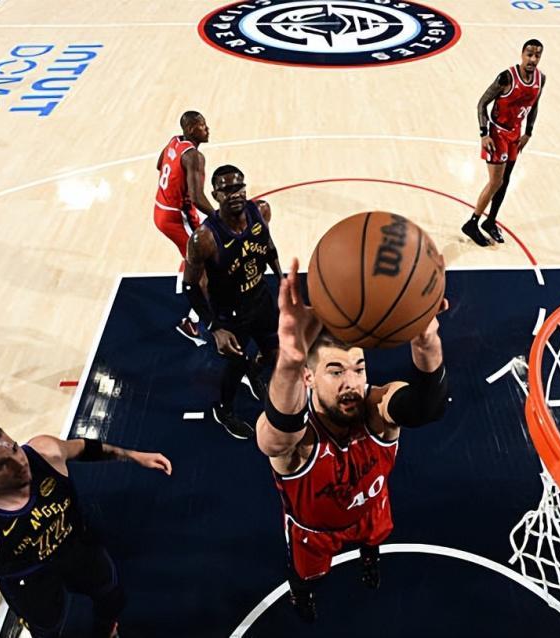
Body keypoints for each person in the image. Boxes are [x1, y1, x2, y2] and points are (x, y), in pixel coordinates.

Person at [255, 259, 449, 621]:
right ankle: (302, 594)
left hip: (370, 512)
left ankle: (369, 558)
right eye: (336, 371)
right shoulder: (302, 439)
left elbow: (428, 406)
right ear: (309, 377)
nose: (352, 383)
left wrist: (425, 338)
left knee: (373, 542)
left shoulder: (376, 409)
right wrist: (290, 362)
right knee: (305, 576)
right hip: (314, 532)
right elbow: (274, 439)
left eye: (359, 369)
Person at [0, 423, 172, 638]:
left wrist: (133, 456)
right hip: (31, 581)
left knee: (111, 597)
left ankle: (106, 631)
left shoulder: (45, 452)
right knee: (51, 630)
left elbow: (84, 448)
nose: (19, 462)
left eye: (14, 448)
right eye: (1, 465)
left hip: (77, 546)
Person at [184, 164, 283, 439]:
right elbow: (190, 286)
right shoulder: (204, 238)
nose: (235, 193)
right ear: (215, 195)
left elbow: (268, 246)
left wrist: (282, 279)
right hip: (231, 314)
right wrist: (215, 328)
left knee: (273, 351)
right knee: (236, 364)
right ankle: (224, 410)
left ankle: (255, 372)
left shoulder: (260, 211)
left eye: (239, 187)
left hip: (261, 298)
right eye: (227, 190)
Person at [462, 39, 546, 247]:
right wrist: (484, 134)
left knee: (505, 180)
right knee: (495, 182)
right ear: (521, 54)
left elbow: (534, 106)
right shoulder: (506, 77)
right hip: (497, 133)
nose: (533, 59)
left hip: (515, 134)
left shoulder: (540, 79)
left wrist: (528, 132)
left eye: (537, 55)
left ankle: (490, 222)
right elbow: (482, 103)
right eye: (529, 54)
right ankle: (472, 223)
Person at [154, 111, 217, 338]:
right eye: (202, 125)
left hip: (161, 208)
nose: (207, 129)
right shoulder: (194, 157)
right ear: (191, 129)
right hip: (178, 217)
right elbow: (198, 198)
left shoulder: (175, 142)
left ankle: (190, 268)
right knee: (206, 264)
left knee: (199, 257)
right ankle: (195, 322)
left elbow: (159, 164)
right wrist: (220, 217)